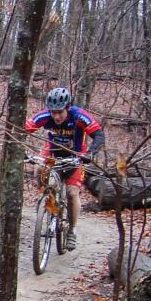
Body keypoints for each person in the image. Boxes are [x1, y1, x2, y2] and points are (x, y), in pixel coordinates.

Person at [23, 87, 105, 250]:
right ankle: (46, 197)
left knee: (71, 193)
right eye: (53, 112)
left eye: (60, 112)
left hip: (75, 155)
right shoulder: (45, 116)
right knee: (38, 168)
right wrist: (20, 149)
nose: (56, 116)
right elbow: (21, 129)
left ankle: (72, 230)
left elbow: (99, 135)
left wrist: (90, 153)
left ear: (67, 108)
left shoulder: (79, 116)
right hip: (52, 152)